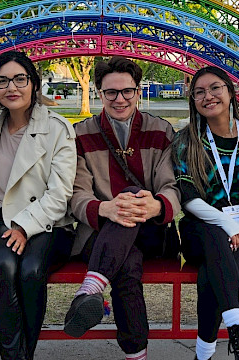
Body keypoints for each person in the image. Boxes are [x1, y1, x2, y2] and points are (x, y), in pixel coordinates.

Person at [63, 56, 180, 360]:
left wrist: (155, 205)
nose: (120, 99)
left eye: (127, 91)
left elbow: (172, 186)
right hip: (99, 232)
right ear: (99, 94)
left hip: (151, 231)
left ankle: (91, 288)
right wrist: (105, 209)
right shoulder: (80, 134)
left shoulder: (161, 131)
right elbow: (76, 193)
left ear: (138, 91)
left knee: (131, 195)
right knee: (126, 268)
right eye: (111, 92)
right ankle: (136, 354)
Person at [171, 66, 239, 360]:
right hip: (200, 232)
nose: (208, 96)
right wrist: (229, 227)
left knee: (213, 273)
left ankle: (203, 355)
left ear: (231, 92)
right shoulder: (186, 140)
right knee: (213, 239)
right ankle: (238, 328)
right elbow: (187, 196)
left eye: (215, 88)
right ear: (193, 100)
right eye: (199, 92)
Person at [0, 51, 77, 360]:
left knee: (31, 270)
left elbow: (60, 194)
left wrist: (24, 226)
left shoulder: (57, 129)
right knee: (1, 264)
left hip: (49, 223)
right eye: (2, 81)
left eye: (20, 79)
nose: (12, 87)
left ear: (34, 83)